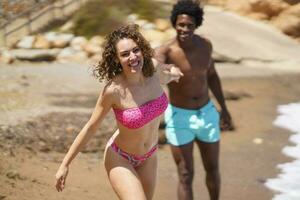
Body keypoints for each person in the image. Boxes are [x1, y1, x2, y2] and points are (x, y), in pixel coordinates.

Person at [55, 24, 183, 200]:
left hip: (150, 156)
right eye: (124, 54)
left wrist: (173, 74)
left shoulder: (153, 69)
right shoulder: (113, 91)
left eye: (135, 50)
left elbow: (165, 76)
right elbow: (91, 127)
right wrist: (65, 164)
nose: (133, 57)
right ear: (116, 59)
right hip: (120, 158)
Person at [155, 1, 234, 200]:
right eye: (181, 24)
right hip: (179, 117)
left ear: (196, 25)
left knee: (213, 169)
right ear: (174, 24)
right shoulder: (166, 51)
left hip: (207, 113)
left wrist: (224, 108)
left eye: (190, 25)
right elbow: (154, 69)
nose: (185, 29)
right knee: (185, 174)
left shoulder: (205, 45)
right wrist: (167, 70)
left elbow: (213, 76)